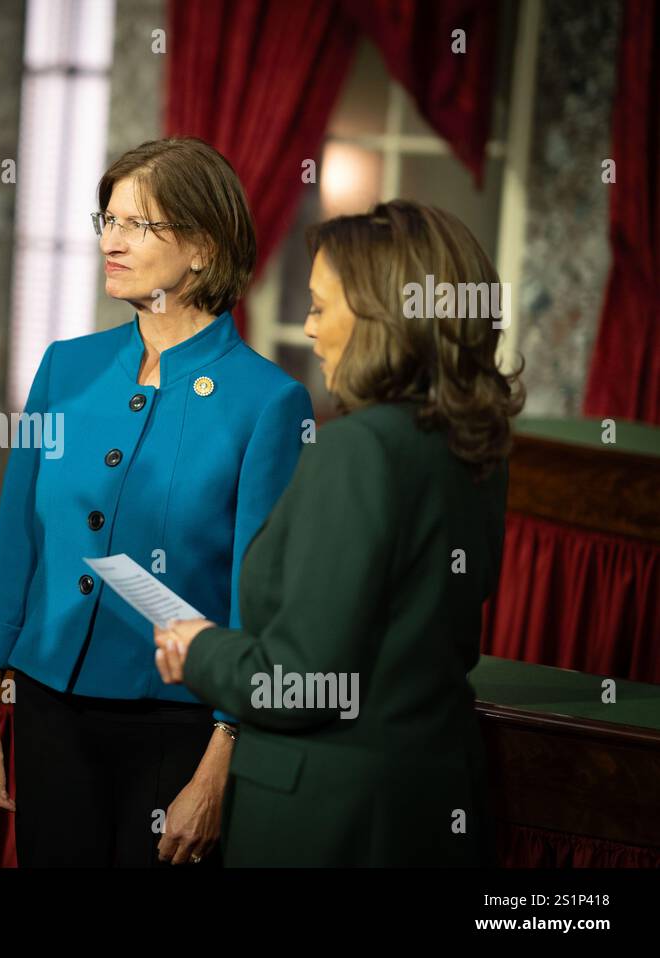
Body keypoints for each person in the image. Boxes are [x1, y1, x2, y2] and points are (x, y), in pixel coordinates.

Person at [0, 137, 313, 867]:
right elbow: (18, 543)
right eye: (107, 220)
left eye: (138, 226)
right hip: (49, 707)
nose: (111, 242)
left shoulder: (269, 403)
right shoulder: (66, 366)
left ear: (203, 250)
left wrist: (222, 761)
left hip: (176, 729)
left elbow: (261, 605)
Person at [154, 200, 525, 867]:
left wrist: (200, 650)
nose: (309, 327)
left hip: (327, 821)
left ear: (386, 314)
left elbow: (303, 684)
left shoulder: (356, 449)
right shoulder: (473, 445)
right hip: (431, 801)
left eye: (323, 307)